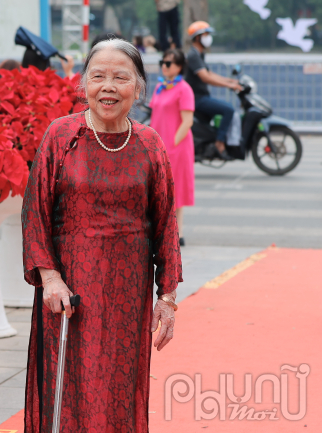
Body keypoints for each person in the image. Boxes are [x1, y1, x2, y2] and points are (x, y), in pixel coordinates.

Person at [22, 37, 182, 432]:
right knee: (70, 382)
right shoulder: (62, 135)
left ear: (138, 88)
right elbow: (35, 212)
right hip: (70, 287)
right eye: (98, 76)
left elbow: (165, 222)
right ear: (84, 84)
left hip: (129, 290)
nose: (107, 87)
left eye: (120, 78)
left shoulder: (149, 143)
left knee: (119, 385)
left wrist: (168, 298)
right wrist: (50, 277)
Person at [150, 49, 195, 247]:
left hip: (176, 146)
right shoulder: (160, 86)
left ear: (179, 67)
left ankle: (178, 232)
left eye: (168, 63)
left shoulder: (184, 89)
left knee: (175, 189)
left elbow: (187, 122)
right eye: (163, 62)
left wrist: (172, 145)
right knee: (159, 189)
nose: (164, 66)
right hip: (159, 145)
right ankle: (166, 230)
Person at [184, 21, 243, 160]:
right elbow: (205, 77)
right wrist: (229, 86)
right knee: (228, 109)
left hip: (201, 97)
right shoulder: (193, 55)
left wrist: (231, 81)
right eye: (206, 34)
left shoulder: (199, 54)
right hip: (197, 98)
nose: (208, 37)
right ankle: (220, 142)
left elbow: (210, 74)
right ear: (197, 37)